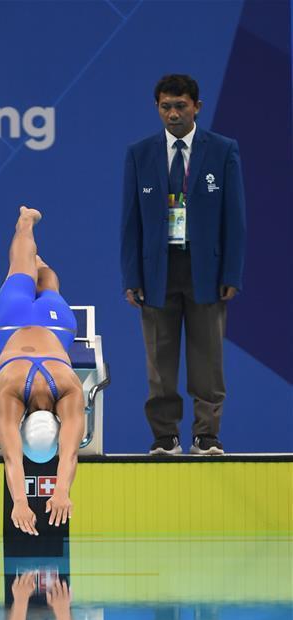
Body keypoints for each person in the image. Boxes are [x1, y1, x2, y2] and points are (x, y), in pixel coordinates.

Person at [120, 74, 246, 455]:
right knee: (160, 362)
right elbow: (130, 221)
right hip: (157, 271)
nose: (173, 114)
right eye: (165, 107)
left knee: (207, 360)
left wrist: (232, 273)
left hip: (205, 271)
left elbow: (234, 217)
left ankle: (206, 436)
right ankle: (165, 437)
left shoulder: (222, 151)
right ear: (157, 108)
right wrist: (132, 277)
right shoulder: (140, 154)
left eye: (180, 106)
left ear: (197, 107)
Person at [0, 207, 85, 534]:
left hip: (55, 327)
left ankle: (32, 244)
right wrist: (19, 501)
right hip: (11, 322)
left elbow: (69, 454)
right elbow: (11, 459)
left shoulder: (69, 389)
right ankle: (25, 227)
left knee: (48, 283)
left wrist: (62, 492)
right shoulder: (10, 390)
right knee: (21, 267)